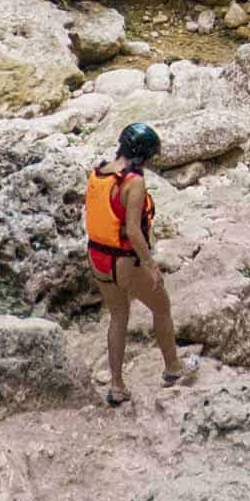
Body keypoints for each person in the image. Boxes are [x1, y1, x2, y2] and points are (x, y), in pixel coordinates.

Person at [84, 122, 194, 405]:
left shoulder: (100, 171)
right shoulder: (133, 182)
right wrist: (151, 265)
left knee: (118, 316)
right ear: (143, 155)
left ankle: (117, 386)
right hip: (125, 261)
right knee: (162, 307)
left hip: (98, 257)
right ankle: (173, 369)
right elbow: (133, 230)